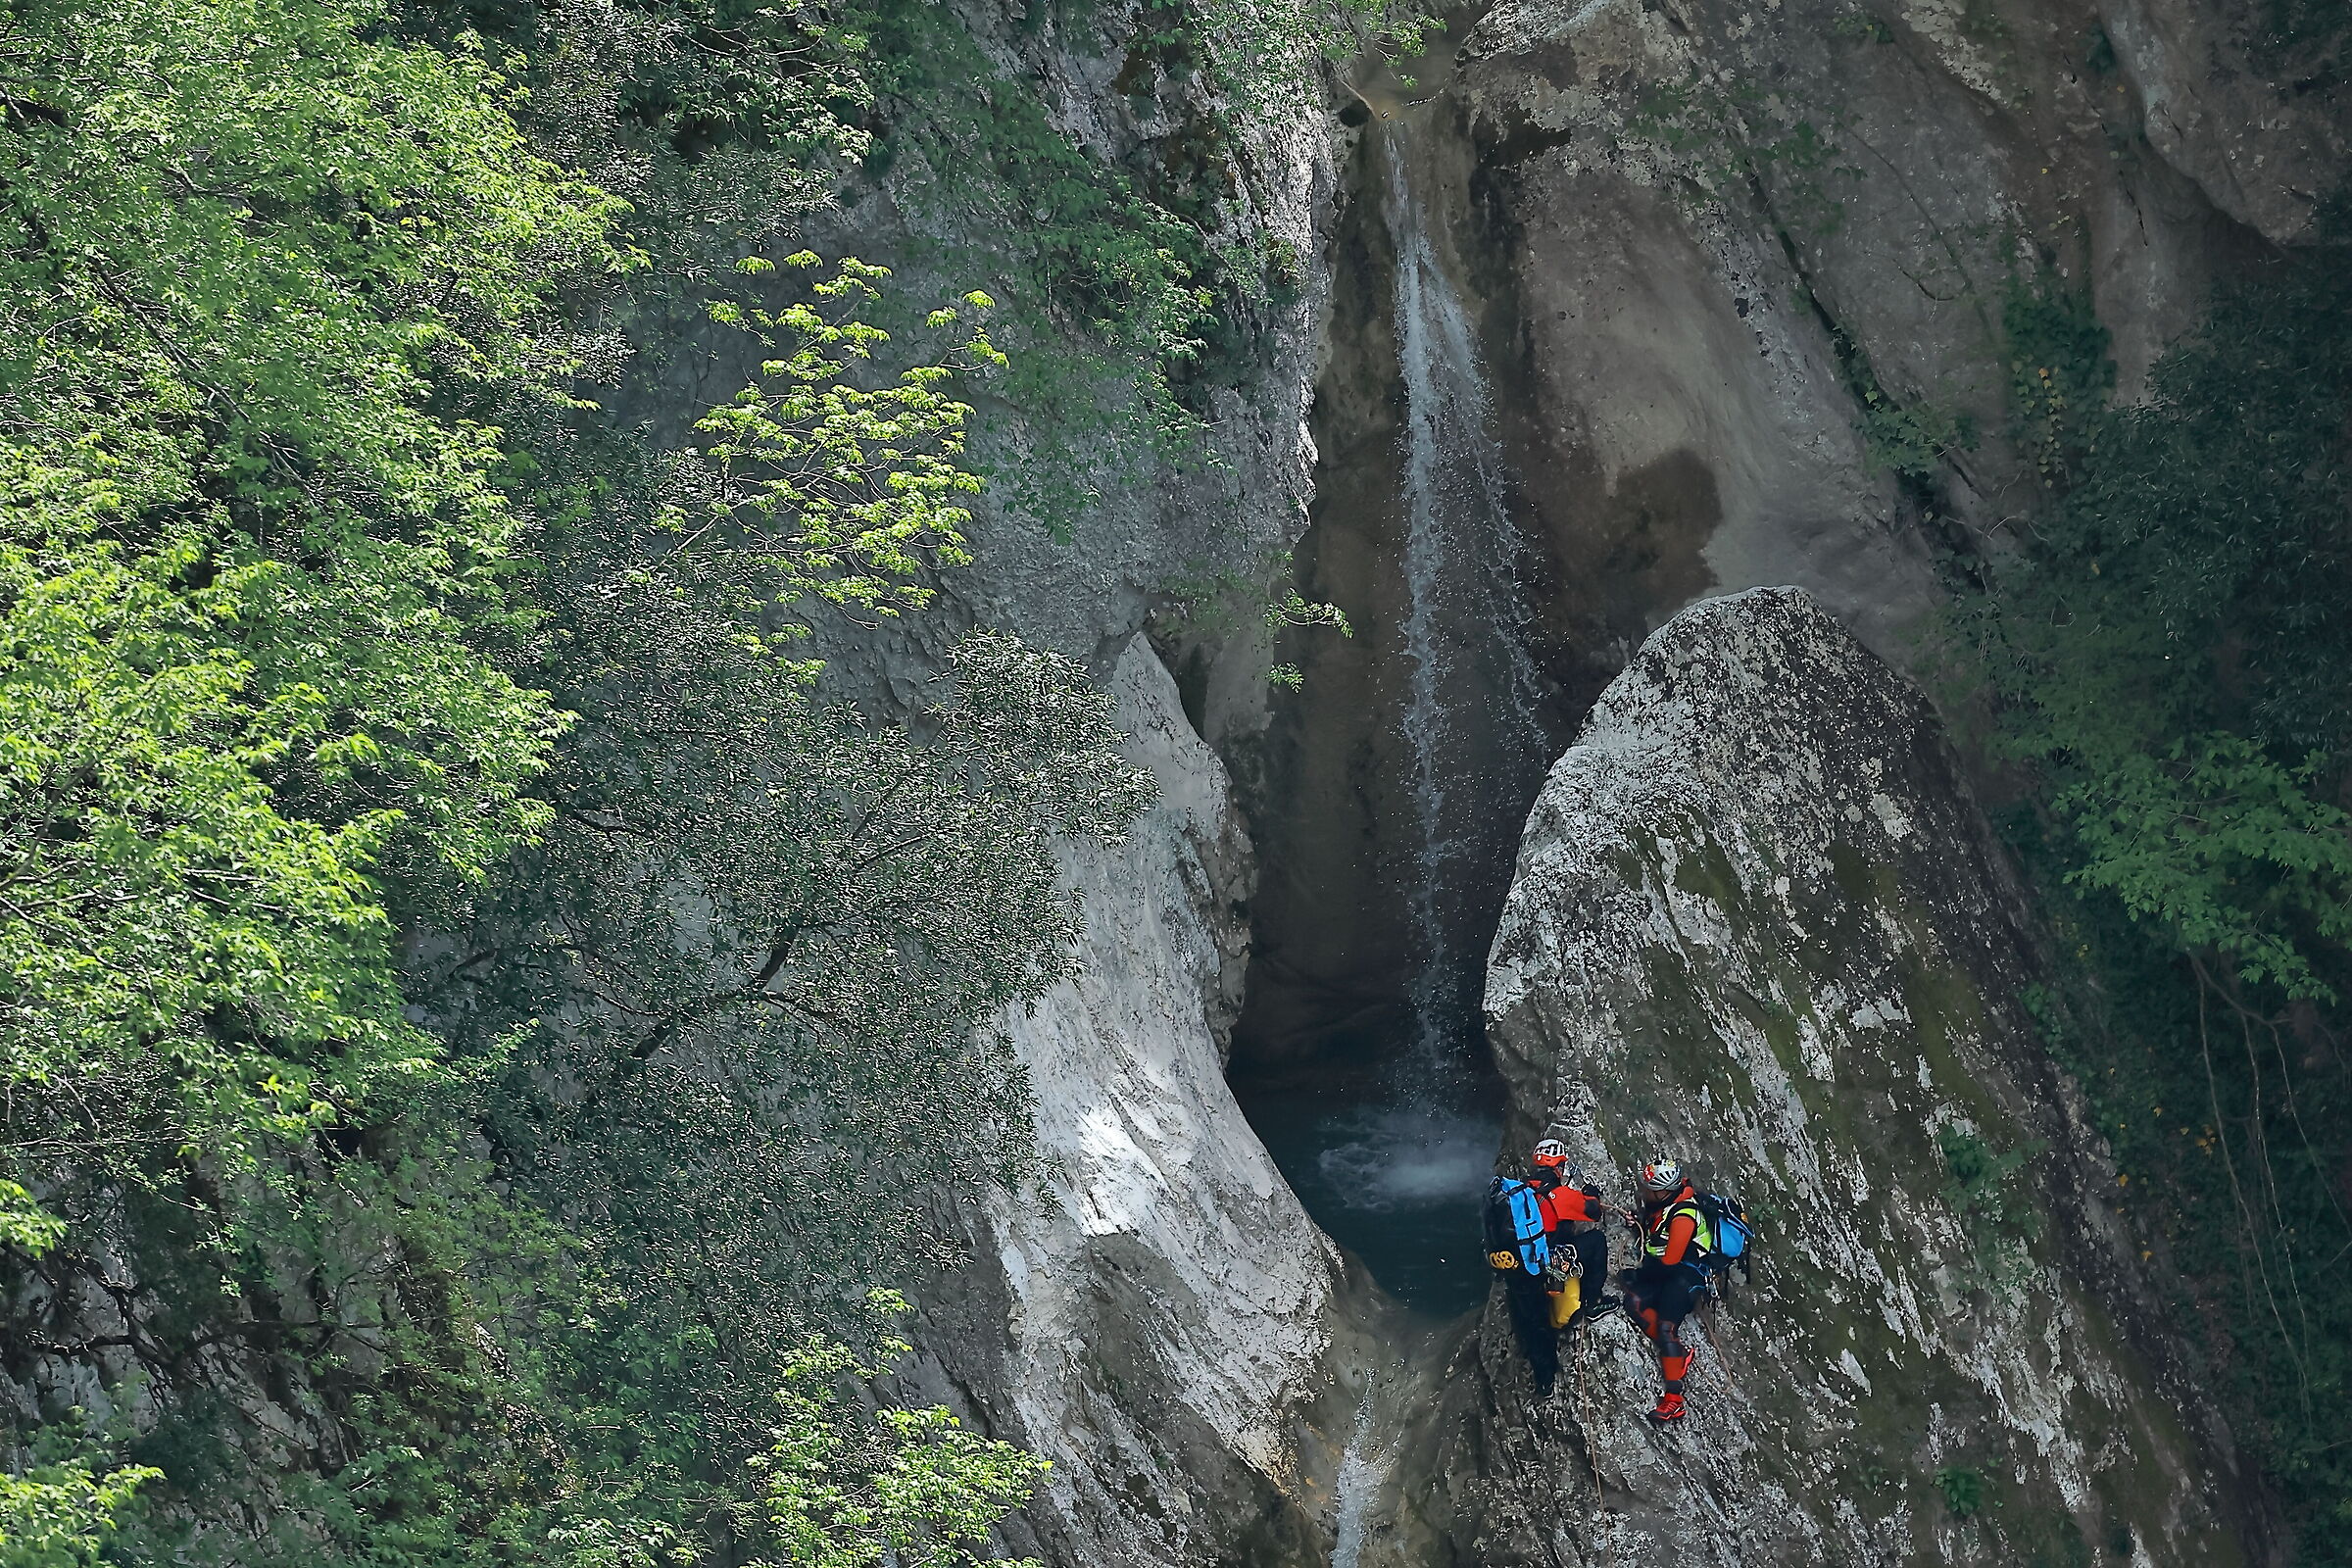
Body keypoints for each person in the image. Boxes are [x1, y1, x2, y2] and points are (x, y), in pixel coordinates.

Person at [1620, 1155, 1714, 1423]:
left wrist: (1639, 1275)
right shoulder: (1665, 1204)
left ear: (1662, 1190)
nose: (1644, 1192)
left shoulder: (1684, 1215)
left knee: (1665, 1327)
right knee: (1633, 1303)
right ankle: (1674, 1352)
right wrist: (1637, 1222)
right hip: (1669, 1273)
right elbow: (1659, 1236)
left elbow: (1671, 1260)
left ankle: (1674, 1399)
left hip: (1686, 1277)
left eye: (1648, 1188)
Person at [1528, 1139, 1621, 1329]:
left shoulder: (1523, 1189)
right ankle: (1593, 1302)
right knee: (1596, 1240)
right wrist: (1591, 1193)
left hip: (1527, 1257)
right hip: (1549, 1258)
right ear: (1558, 1167)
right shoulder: (1559, 1195)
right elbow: (1593, 1211)